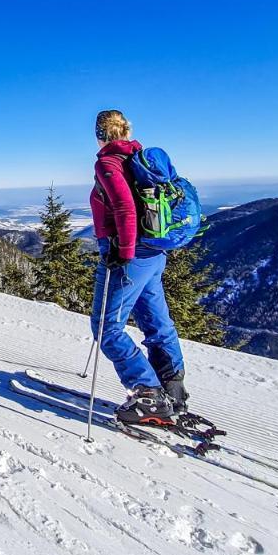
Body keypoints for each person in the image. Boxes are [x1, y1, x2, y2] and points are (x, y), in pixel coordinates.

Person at [89, 109, 188, 425]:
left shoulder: (108, 162)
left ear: (100, 134)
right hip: (154, 254)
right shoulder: (139, 160)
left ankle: (147, 392)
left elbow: (124, 208)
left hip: (127, 255)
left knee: (106, 328)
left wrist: (124, 252)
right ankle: (172, 388)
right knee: (156, 321)